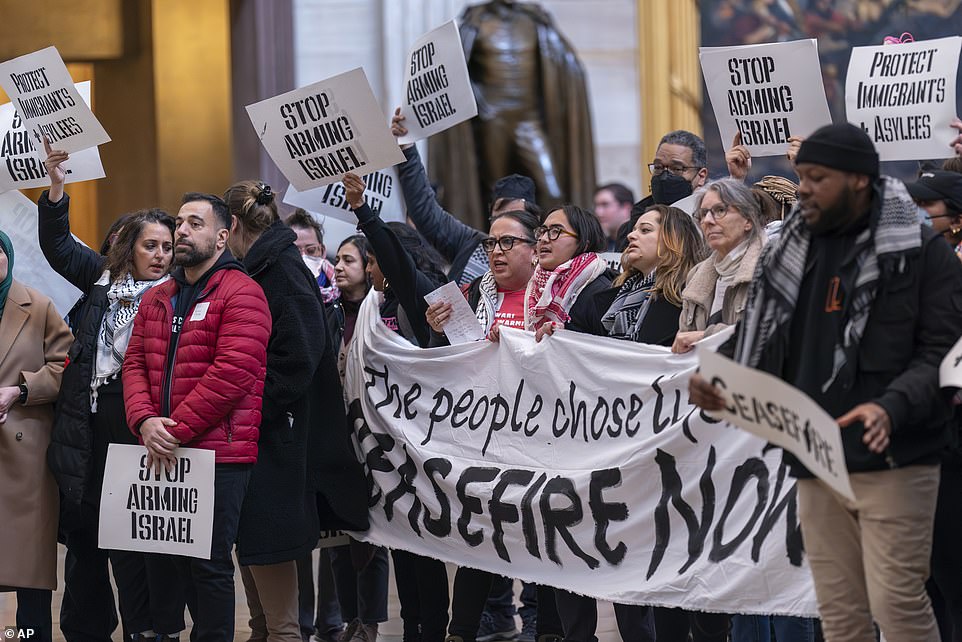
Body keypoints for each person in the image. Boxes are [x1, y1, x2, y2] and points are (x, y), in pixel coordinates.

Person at [689, 122, 962, 641]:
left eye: (818, 177)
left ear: (859, 180)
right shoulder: (792, 249)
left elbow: (944, 352)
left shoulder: (920, 250)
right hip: (817, 458)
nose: (804, 187)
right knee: (839, 611)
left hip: (899, 454)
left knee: (897, 604)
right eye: (804, 176)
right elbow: (766, 341)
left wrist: (891, 407)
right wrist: (725, 381)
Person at [41, 143, 185, 642]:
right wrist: (58, 186)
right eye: (151, 246)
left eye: (167, 247)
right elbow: (58, 245)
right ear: (130, 249)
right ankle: (87, 631)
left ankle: (145, 630)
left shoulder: (178, 293)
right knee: (87, 537)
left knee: (135, 540)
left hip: (139, 425)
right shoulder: (104, 281)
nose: (160, 255)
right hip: (89, 427)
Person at [122, 192, 272, 642]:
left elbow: (234, 372)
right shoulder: (159, 296)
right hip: (160, 448)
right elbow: (133, 364)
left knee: (207, 566)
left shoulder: (243, 293)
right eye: (180, 222)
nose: (182, 231)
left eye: (195, 223)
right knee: (163, 564)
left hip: (218, 454)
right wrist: (145, 422)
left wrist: (173, 430)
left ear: (222, 236)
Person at [425, 209, 564, 642]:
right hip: (482, 439)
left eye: (508, 243)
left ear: (533, 247)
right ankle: (462, 630)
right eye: (491, 243)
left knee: (543, 534)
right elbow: (448, 367)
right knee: (479, 535)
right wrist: (437, 333)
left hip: (540, 437)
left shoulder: (554, 297)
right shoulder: (470, 294)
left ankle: (547, 630)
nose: (496, 252)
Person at [223, 180, 350, 642]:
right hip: (264, 434)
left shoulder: (281, 271)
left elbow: (298, 358)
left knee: (281, 621)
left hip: (279, 439)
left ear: (233, 225)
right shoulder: (263, 266)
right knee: (263, 613)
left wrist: (246, 403)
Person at [344, 172, 450, 642]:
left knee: (426, 549)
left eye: (373, 260)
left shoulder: (422, 293)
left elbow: (397, 264)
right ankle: (411, 629)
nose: (370, 270)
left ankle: (434, 630)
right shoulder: (376, 303)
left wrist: (365, 212)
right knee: (404, 545)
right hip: (390, 446)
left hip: (427, 442)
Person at [428, 0, 595, 229]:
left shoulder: (534, 22)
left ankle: (553, 243)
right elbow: (453, 69)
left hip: (529, 119)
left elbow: (565, 64)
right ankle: (497, 245)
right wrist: (478, 100)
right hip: (493, 121)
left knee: (552, 188)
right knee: (496, 192)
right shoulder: (475, 23)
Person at [0, 230, 72, 642]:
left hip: (25, 458)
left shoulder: (37, 304)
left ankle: (28, 637)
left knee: (29, 576)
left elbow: (67, 366)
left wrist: (21, 390)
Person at [322, 234, 390, 642]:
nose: (340, 266)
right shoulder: (329, 313)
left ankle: (370, 621)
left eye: (348, 259)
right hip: (336, 430)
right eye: (337, 260)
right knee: (338, 532)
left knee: (371, 535)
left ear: (368, 265)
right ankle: (350, 618)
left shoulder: (380, 312)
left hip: (373, 433)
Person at [392, 108, 542, 287]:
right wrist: (408, 148)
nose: (498, 250)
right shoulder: (471, 244)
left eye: (515, 218)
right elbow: (425, 211)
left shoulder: (549, 271)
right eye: (499, 216)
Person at [906, 168, 962, 641]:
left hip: (953, 443)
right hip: (926, 440)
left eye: (927, 208)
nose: (918, 217)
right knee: (925, 580)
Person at [582, 203, 707, 345]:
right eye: (634, 230)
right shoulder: (612, 296)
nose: (630, 235)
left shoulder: (690, 296)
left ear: (674, 239)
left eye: (645, 230)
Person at [672, 178, 766, 354]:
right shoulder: (696, 274)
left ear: (748, 220)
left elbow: (770, 334)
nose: (707, 221)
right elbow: (684, 339)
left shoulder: (770, 265)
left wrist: (706, 336)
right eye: (703, 214)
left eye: (720, 210)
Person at [614, 130, 709, 250]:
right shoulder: (630, 227)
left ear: (701, 176)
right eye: (658, 167)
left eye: (677, 168)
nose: (664, 176)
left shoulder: (709, 224)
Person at [286, 208, 339, 303]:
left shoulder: (340, 289)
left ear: (322, 251)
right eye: (295, 251)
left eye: (311, 250)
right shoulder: (274, 290)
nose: (303, 257)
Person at [593, 183, 634, 251]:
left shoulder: (638, 243)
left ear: (626, 208)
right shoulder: (599, 247)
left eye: (605, 204)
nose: (598, 212)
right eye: (596, 206)